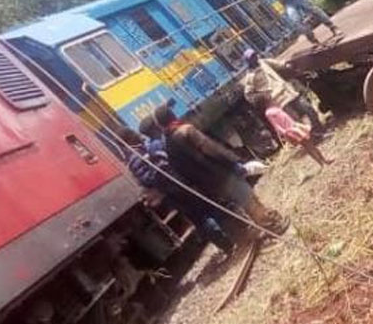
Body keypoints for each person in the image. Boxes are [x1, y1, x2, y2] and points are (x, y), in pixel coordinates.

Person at [152, 105, 290, 236]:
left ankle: (271, 225)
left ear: (160, 124)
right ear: (172, 115)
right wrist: (234, 163)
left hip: (209, 184)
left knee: (245, 202)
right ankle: (275, 227)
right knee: (249, 199)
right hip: (222, 175)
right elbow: (213, 151)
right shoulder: (186, 130)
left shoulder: (168, 145)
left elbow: (181, 171)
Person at [121, 126, 236, 254]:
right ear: (129, 138)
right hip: (177, 184)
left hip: (167, 193)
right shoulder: (143, 151)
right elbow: (160, 168)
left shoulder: (131, 161)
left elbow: (143, 181)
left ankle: (226, 245)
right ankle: (233, 231)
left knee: (196, 217)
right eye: (133, 133)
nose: (136, 134)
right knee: (204, 208)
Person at [240, 49, 326, 137]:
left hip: (288, 92)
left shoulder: (264, 62)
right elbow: (248, 95)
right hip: (278, 100)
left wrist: (288, 65)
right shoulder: (250, 77)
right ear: (249, 61)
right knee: (296, 121)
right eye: (252, 57)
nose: (255, 57)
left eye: (255, 55)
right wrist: (261, 97)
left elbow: (280, 64)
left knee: (308, 108)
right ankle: (310, 137)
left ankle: (318, 129)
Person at [252, 94, 330, 167]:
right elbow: (276, 125)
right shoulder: (268, 113)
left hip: (294, 126)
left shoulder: (274, 107)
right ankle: (322, 162)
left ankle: (323, 160)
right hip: (291, 130)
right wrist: (285, 132)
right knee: (308, 146)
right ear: (264, 102)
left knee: (310, 144)